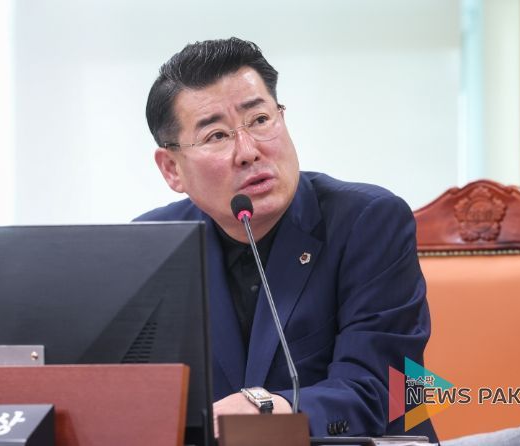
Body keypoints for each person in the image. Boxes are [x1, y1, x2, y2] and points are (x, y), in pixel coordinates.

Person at [136, 37, 437, 441]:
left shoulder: (369, 222)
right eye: (217, 136)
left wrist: (264, 411)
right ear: (172, 169)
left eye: (260, 119)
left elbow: (380, 392)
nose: (248, 151)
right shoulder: (155, 248)